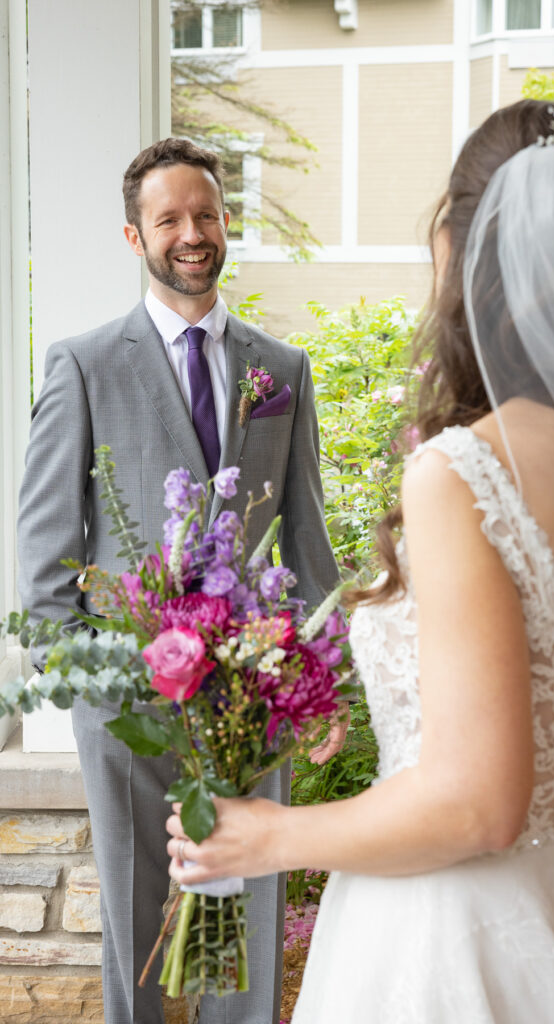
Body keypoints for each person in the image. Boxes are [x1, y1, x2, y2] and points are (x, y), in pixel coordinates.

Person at [165, 101, 554, 1022]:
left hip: (456, 938)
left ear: (474, 249)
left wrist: (268, 837)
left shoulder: (465, 473)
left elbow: (476, 806)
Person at [17, 137, 347, 1024]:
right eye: (169, 219)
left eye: (205, 215)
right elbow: (45, 556)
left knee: (247, 906)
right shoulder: (83, 365)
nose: (190, 233)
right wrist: (91, 681)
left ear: (225, 223)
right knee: (136, 920)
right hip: (127, 700)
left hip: (250, 702)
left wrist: (318, 686)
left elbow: (307, 546)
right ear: (136, 237)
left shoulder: (280, 370)